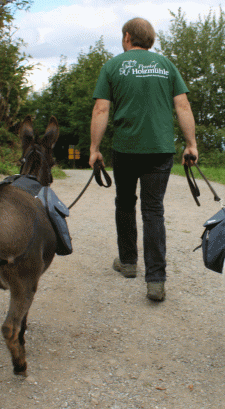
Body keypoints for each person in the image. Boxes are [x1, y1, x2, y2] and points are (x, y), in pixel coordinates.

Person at [89, 17, 198, 302]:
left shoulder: (112, 66)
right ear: (150, 40)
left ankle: (128, 263)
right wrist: (191, 144)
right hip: (160, 149)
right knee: (153, 210)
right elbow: (182, 105)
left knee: (125, 203)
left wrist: (94, 148)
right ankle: (156, 281)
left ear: (127, 37)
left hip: (126, 149)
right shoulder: (166, 65)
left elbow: (101, 110)